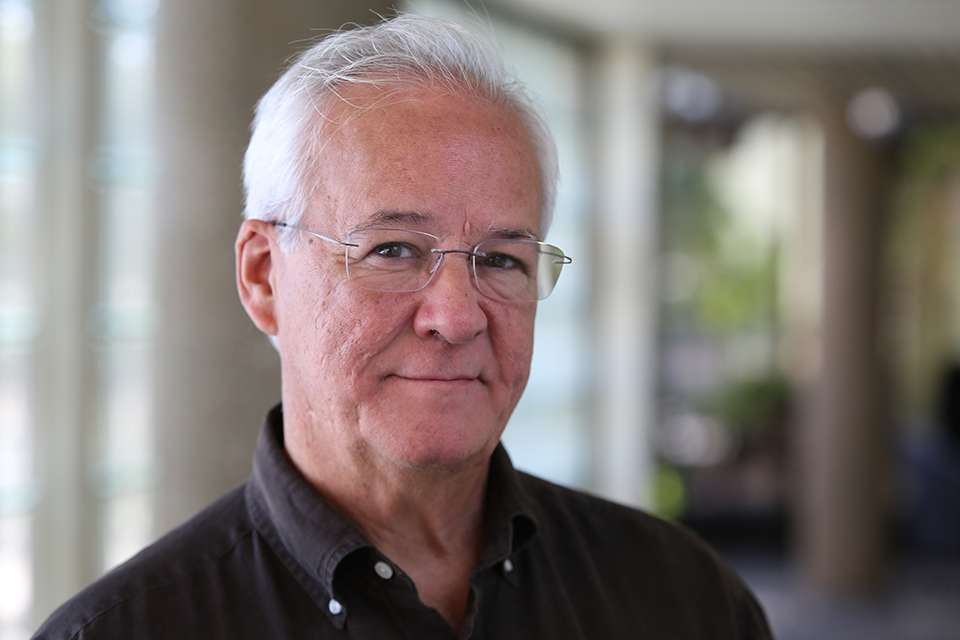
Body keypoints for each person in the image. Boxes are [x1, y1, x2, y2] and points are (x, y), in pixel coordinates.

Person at [34, 14, 773, 640]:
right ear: (264, 277)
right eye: (392, 250)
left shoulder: (681, 600)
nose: (455, 317)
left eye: (501, 259)